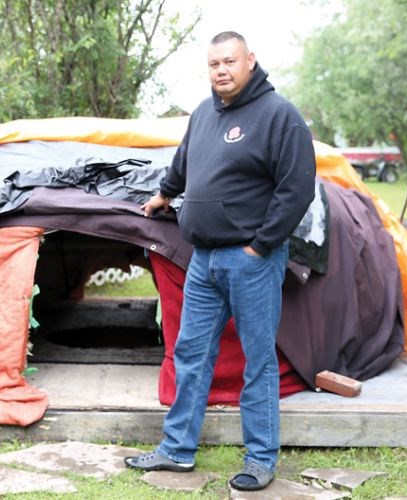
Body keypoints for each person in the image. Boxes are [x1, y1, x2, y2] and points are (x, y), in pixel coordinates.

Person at [124, 31, 316, 491]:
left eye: (229, 61)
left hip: (251, 260)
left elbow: (298, 189)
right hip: (204, 260)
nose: (221, 71)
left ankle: (260, 458)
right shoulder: (204, 114)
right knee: (190, 352)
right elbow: (185, 161)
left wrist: (261, 244)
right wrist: (164, 194)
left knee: (257, 360)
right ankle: (176, 450)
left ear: (251, 60)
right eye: (213, 64)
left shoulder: (279, 116)